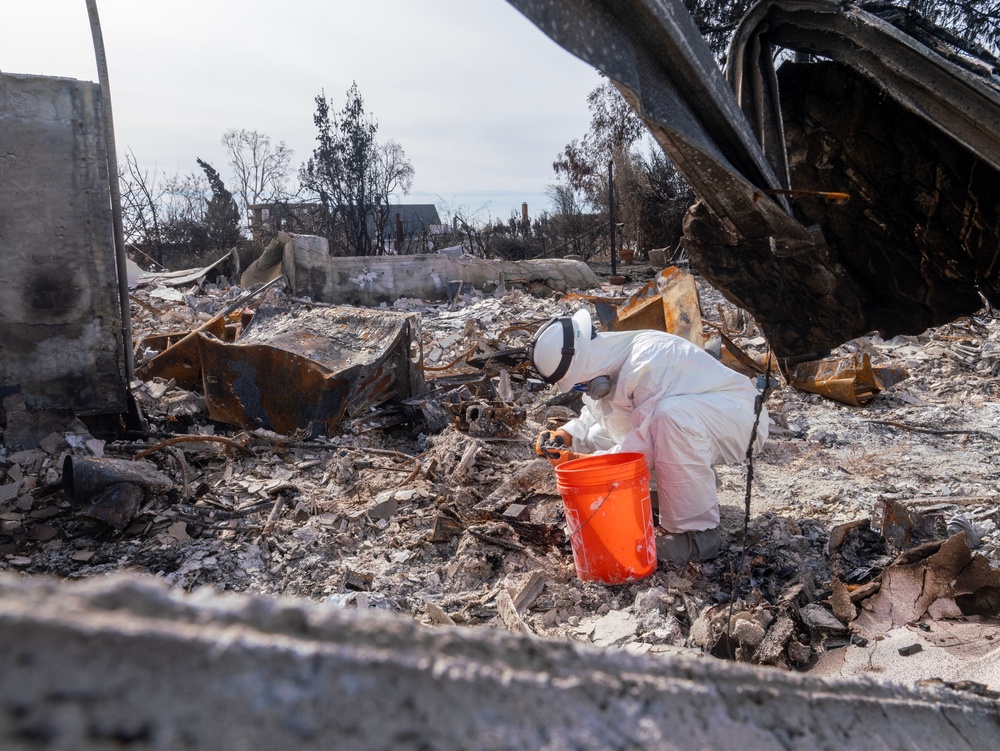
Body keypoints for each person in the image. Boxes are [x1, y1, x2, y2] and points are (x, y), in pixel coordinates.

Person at [529, 308, 768, 563]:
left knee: (670, 417)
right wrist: (567, 435)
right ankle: (666, 495)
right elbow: (599, 413)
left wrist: (581, 461)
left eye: (579, 384)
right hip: (697, 418)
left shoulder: (648, 363)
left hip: (740, 418)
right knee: (597, 434)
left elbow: (644, 447)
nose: (582, 389)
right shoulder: (607, 360)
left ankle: (698, 536)